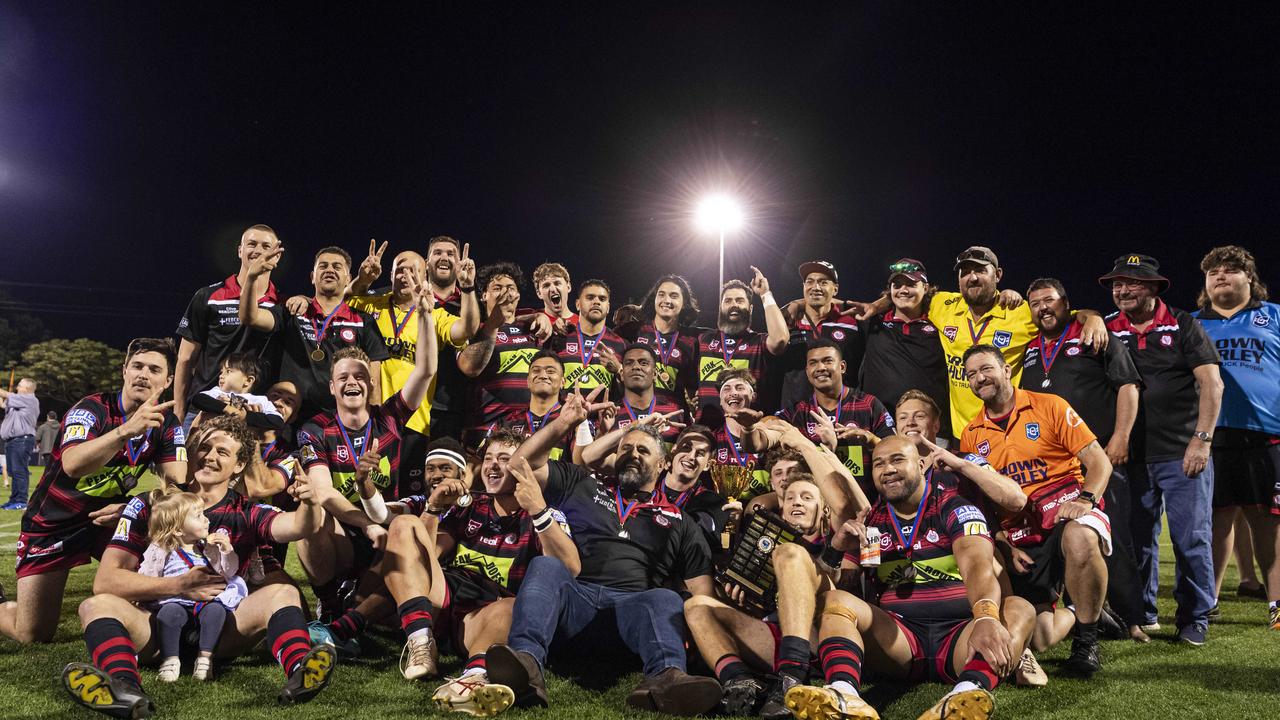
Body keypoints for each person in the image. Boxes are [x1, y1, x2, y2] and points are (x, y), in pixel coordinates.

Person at [61, 415, 333, 717]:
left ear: (239, 466)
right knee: (94, 605)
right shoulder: (150, 505)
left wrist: (309, 503)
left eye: (223, 452)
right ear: (192, 452)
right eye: (205, 447)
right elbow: (106, 581)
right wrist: (178, 586)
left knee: (282, 592)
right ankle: (123, 687)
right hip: (157, 627)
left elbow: (296, 526)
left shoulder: (246, 510)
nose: (210, 456)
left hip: (222, 628)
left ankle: (301, 671)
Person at [490, 394, 722, 715]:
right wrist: (564, 422)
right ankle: (526, 665)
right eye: (626, 448)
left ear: (662, 464)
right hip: (574, 606)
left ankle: (666, 678)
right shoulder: (585, 482)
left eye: (643, 450)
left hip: (631, 619)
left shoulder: (680, 521)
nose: (633, 454)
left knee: (665, 599)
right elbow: (519, 464)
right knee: (546, 565)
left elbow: (702, 594)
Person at [784, 435, 1036, 720]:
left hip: (961, 636)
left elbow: (977, 566)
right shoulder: (870, 521)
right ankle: (844, 694)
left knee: (1020, 609)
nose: (887, 469)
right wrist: (837, 548)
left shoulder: (954, 506)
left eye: (897, 460)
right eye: (878, 464)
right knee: (833, 600)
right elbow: (846, 593)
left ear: (920, 464)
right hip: (900, 641)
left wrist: (986, 616)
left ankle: (965, 695)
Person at [2, 339, 187, 645]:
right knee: (32, 633)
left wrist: (133, 508)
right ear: (124, 371)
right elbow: (73, 464)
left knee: (161, 557)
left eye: (154, 369)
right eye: (137, 366)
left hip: (107, 522)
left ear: (167, 381)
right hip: (54, 523)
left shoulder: (167, 423)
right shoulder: (92, 409)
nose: (143, 374)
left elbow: (175, 484)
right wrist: (126, 431)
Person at [382, 430, 579, 714]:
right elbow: (425, 556)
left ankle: (472, 677)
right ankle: (421, 641)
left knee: (513, 606)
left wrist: (538, 511)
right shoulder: (470, 505)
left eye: (504, 459)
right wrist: (434, 508)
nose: (492, 466)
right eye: (488, 458)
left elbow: (570, 568)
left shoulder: (545, 514)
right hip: (442, 601)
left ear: (524, 468)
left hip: (483, 620)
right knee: (403, 526)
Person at [959, 344, 1114, 676]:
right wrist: (1004, 544)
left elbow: (1099, 462)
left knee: (1081, 536)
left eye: (986, 368)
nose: (979, 377)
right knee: (1041, 637)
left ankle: (1086, 644)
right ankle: (1083, 610)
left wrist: (1085, 501)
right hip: (1021, 535)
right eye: (971, 374)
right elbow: (984, 503)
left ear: (1006, 370)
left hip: (1065, 511)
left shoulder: (1050, 405)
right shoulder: (971, 435)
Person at [854, 246, 1109, 439]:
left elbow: (1063, 316)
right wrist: (876, 305)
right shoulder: (944, 305)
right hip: (961, 435)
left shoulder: (1019, 312)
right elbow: (905, 293)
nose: (972, 277)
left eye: (980, 270)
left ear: (998, 275)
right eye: (965, 272)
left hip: (1008, 428)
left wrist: (1093, 317)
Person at [296, 279, 438, 621]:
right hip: (349, 526)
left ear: (370, 383)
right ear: (332, 387)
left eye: (359, 376)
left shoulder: (389, 417)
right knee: (312, 519)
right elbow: (325, 492)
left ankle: (361, 598)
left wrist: (425, 317)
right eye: (342, 377)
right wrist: (366, 524)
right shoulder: (314, 428)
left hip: (386, 521)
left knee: (371, 601)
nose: (351, 382)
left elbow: (426, 370)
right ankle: (329, 600)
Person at [1103, 253, 1224, 645]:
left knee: (1191, 539)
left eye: (1132, 282)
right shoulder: (1106, 328)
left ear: (1155, 287)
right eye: (1117, 284)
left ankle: (1195, 617)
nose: (1122, 290)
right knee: (1136, 540)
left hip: (1181, 452)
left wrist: (1201, 441)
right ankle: (1142, 613)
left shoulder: (1183, 323)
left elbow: (1212, 384)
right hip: (1130, 457)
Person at [1021, 278, 1149, 642]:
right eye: (1036, 304)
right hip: (1052, 467)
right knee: (1059, 537)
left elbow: (1128, 385)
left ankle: (1132, 618)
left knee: (1116, 536)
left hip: (1097, 456)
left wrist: (1121, 437)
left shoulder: (1096, 334)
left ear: (1067, 304)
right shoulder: (1030, 348)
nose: (1043, 308)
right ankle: (1086, 609)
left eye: (1050, 300)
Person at [683, 472, 865, 720]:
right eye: (789, 498)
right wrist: (746, 602)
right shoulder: (762, 547)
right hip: (775, 639)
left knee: (791, 553)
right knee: (696, 606)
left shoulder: (836, 541)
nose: (796, 502)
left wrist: (833, 550)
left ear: (823, 510)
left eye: (806, 497)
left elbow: (833, 577)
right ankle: (741, 683)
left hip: (818, 642)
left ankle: (793, 677)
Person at [1192, 245, 1280, 630]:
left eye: (1230, 270)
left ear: (1250, 279)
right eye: (1213, 272)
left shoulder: (1273, 316)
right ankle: (1207, 602)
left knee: (1269, 522)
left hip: (1266, 435)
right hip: (1209, 437)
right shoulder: (1191, 323)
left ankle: (1277, 602)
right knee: (1214, 521)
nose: (1220, 276)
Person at [346, 245, 478, 495]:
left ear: (425, 276)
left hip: (414, 422)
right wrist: (363, 280)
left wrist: (469, 289)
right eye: (399, 270)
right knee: (366, 488)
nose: (404, 275)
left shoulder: (435, 315)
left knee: (406, 493)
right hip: (372, 418)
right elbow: (342, 300)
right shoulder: (374, 306)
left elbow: (467, 329)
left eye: (412, 270)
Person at [239, 244, 390, 419]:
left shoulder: (363, 321)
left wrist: (374, 425)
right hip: (290, 417)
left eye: (337, 267)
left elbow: (374, 382)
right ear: (312, 277)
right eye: (323, 266)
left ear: (348, 279)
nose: (330, 270)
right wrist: (251, 277)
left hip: (341, 420)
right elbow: (250, 317)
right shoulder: (293, 311)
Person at [174, 224, 283, 429]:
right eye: (251, 244)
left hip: (254, 413)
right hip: (203, 408)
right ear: (240, 250)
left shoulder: (282, 305)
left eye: (266, 246)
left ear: (277, 256)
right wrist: (179, 410)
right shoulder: (208, 296)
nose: (258, 250)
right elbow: (186, 358)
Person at [137, 490, 247, 682]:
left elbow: (228, 571)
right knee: (169, 613)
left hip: (204, 602)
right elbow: (148, 573)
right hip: (174, 602)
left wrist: (227, 551)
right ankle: (170, 659)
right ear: (178, 530)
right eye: (198, 516)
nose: (206, 520)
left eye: (203, 514)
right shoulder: (161, 549)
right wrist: (140, 597)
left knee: (216, 611)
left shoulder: (207, 547)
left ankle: (205, 659)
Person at [778, 339, 894, 497]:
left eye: (827, 361)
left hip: (866, 502)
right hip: (819, 505)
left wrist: (870, 438)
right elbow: (771, 424)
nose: (820, 368)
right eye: (813, 363)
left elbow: (895, 448)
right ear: (807, 371)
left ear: (842, 367)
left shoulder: (868, 404)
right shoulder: (798, 412)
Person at [859, 259, 952, 440]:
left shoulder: (941, 323)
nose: (903, 290)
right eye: (897, 285)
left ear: (925, 288)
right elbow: (828, 306)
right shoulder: (872, 323)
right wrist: (798, 304)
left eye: (911, 284)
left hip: (933, 432)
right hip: (880, 430)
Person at [459, 262, 547, 447]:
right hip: (487, 429)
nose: (505, 293)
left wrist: (540, 315)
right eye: (497, 288)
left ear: (518, 296)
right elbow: (470, 368)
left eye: (511, 288)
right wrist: (493, 324)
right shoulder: (476, 330)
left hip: (529, 430)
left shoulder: (534, 329)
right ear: (484, 295)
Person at [695, 271, 789, 418]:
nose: (734, 305)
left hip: (746, 431)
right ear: (721, 307)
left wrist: (765, 294)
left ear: (750, 309)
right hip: (707, 431)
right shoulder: (703, 340)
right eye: (728, 301)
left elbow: (780, 339)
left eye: (739, 301)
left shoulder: (758, 342)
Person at [776, 260, 864, 410]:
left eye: (823, 282)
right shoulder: (787, 321)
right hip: (795, 412)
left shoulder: (852, 322)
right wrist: (796, 303)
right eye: (810, 282)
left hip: (843, 412)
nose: (815, 287)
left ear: (835, 289)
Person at [621, 274, 704, 415]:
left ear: (684, 303)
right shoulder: (632, 331)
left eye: (674, 296)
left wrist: (696, 400)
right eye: (661, 295)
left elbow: (692, 387)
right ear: (655, 299)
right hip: (633, 413)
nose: (666, 300)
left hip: (673, 417)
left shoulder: (692, 339)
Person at [544, 280, 627, 393]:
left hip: (604, 410)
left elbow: (631, 388)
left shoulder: (620, 344)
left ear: (608, 307)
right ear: (578, 304)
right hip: (565, 410)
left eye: (602, 299)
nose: (596, 302)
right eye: (590, 297)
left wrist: (618, 369)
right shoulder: (560, 337)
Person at [500, 350, 573, 461]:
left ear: (563, 382)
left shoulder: (572, 420)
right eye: (536, 371)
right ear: (528, 381)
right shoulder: (508, 421)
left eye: (550, 371)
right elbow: (484, 458)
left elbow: (582, 466)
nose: (543, 375)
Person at [1, 377, 40, 509]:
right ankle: (14, 500)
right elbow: (3, 403)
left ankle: (21, 501)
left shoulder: (29, 399)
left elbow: (6, 395)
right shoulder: (18, 401)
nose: (17, 388)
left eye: (19, 385)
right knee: (13, 471)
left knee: (19, 470)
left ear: (27, 389)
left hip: (22, 440)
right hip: (14, 441)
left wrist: (4, 393)